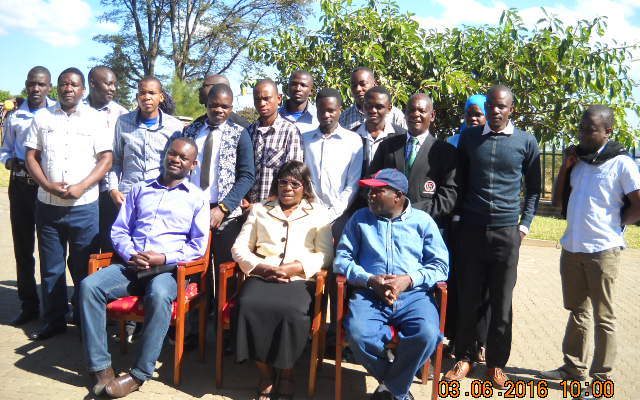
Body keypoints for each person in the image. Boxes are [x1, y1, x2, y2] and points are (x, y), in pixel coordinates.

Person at [79, 137, 209, 398]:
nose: (176, 160)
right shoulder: (140, 189)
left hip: (168, 270)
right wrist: (130, 253)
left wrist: (162, 257)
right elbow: (119, 230)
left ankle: (139, 373)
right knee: (88, 287)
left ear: (193, 165)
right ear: (165, 155)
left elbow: (198, 246)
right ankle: (101, 367)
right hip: (131, 266)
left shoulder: (197, 198)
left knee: (159, 294)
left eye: (183, 158)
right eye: (172, 154)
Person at [444, 85, 541, 388]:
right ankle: (464, 357)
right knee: (469, 298)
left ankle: (497, 364)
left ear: (512, 108)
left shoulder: (526, 141)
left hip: (506, 235)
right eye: (491, 107)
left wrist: (523, 226)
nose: (495, 111)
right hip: (471, 232)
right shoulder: (470, 139)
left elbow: (535, 190)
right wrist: (459, 219)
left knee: (501, 303)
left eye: (502, 106)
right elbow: (458, 182)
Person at [539, 106, 640, 385]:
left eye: (590, 129)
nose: (583, 133)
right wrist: (565, 166)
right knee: (577, 311)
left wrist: (618, 225)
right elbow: (558, 201)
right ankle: (573, 369)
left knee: (603, 317)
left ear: (608, 131)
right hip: (572, 248)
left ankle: (600, 378)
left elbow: (638, 203)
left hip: (603, 252)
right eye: (581, 127)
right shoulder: (579, 161)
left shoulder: (622, 163)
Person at [334, 168, 449, 400]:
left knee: (427, 333)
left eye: (378, 191)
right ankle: (399, 391)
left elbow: (440, 266)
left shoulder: (423, 222)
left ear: (397, 195)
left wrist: (408, 280)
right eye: (369, 191)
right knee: (358, 335)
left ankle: (389, 389)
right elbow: (341, 260)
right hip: (370, 294)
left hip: (414, 296)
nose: (370, 196)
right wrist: (370, 280)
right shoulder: (359, 219)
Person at [231, 160, 333, 400]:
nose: (288, 187)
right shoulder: (260, 209)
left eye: (295, 183)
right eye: (283, 182)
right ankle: (265, 374)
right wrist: (261, 267)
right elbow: (239, 247)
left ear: (305, 187)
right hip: (263, 274)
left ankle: (286, 373)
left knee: (291, 311)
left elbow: (326, 253)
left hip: (299, 279)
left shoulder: (318, 213)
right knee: (247, 305)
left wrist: (296, 267)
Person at [24, 67, 113, 340]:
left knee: (82, 266)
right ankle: (54, 320)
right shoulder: (41, 118)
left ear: (83, 90)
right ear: (57, 88)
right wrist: (46, 184)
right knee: (51, 268)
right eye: (63, 84)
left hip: (84, 207)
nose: (68, 88)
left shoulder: (96, 120)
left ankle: (86, 320)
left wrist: (82, 186)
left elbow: (106, 159)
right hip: (48, 205)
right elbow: (31, 157)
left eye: (74, 84)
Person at [0, 66, 55, 326]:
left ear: (49, 87)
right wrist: (11, 161)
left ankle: (51, 309)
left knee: (49, 250)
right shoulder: (15, 116)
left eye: (41, 84)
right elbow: (5, 149)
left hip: (46, 187)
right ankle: (28, 305)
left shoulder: (57, 113)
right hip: (20, 186)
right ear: (26, 85)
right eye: (32, 84)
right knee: (23, 249)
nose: (36, 89)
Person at [368, 93, 457, 230]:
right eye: (411, 110)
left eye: (422, 111)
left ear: (432, 115)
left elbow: (448, 197)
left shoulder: (447, 152)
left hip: (427, 226)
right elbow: (371, 181)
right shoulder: (387, 146)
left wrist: (409, 213)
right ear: (405, 114)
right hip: (387, 225)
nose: (416, 114)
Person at [108, 76, 184, 208]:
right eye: (142, 93)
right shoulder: (123, 122)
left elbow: (181, 165)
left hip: (161, 196)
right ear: (137, 97)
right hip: (128, 196)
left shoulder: (175, 126)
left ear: (161, 97)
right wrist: (113, 189)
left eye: (152, 93)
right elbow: (116, 160)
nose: (147, 97)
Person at [302, 87, 363, 236]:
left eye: (331, 110)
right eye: (321, 110)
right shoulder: (304, 139)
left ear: (340, 110)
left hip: (341, 216)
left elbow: (352, 184)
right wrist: (314, 209)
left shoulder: (353, 140)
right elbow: (303, 177)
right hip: (309, 213)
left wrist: (331, 214)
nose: (326, 115)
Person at [85, 65, 128, 251]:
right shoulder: (77, 110)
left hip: (110, 190)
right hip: (83, 190)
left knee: (110, 243)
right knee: (86, 246)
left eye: (114, 84)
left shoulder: (122, 115)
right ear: (92, 84)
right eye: (108, 84)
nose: (113, 88)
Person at [247, 78, 304, 203]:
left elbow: (294, 177)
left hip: (275, 209)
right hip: (248, 208)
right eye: (257, 99)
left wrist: (268, 204)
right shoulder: (249, 132)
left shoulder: (290, 132)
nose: (262, 103)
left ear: (279, 99)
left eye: (267, 98)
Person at [339, 67, 406, 132]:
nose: (358, 89)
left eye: (363, 84)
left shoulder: (395, 115)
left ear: (374, 84)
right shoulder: (344, 117)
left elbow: (408, 140)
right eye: (354, 85)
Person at [357, 86, 407, 171]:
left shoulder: (402, 137)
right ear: (363, 107)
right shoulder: (352, 136)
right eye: (368, 106)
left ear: (389, 108)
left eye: (379, 107)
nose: (373, 110)